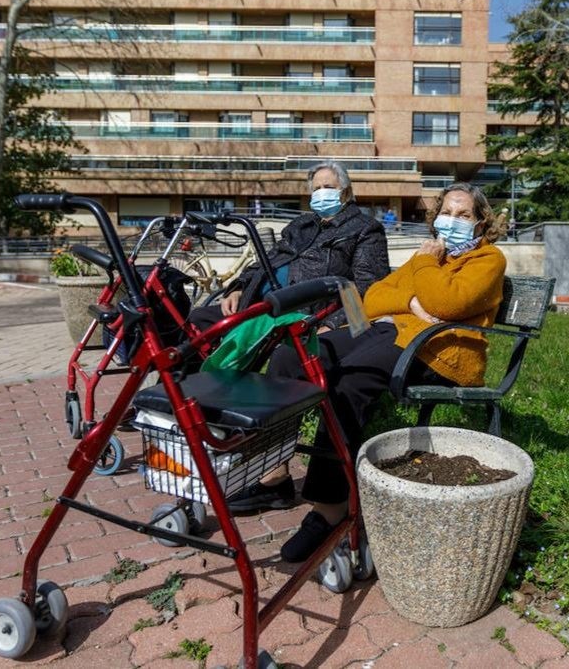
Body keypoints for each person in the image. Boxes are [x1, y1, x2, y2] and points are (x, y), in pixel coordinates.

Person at [230, 183, 508, 563]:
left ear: (480, 223)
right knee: (291, 357)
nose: (453, 221)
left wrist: (425, 271)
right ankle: (273, 473)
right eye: (447, 212)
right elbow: (373, 298)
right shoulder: (430, 258)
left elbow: (448, 301)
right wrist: (411, 301)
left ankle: (329, 510)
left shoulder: (487, 260)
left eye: (464, 215)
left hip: (440, 353)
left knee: (348, 382)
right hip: (396, 333)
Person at [188, 160, 390, 333]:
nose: (321, 193)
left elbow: (369, 288)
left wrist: (332, 325)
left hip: (305, 315)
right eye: (316, 189)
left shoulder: (365, 228)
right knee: (197, 320)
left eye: (327, 187)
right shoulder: (300, 225)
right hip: (258, 303)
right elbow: (267, 261)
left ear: (345, 193)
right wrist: (238, 289)